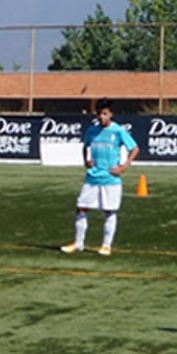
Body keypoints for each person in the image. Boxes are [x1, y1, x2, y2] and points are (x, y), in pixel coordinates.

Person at [59, 99, 140, 256]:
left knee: (109, 211)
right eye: (99, 114)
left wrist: (124, 166)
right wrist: (86, 160)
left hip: (110, 178)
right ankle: (78, 243)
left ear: (111, 114)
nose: (102, 117)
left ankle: (106, 246)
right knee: (81, 208)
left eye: (105, 114)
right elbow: (85, 147)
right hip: (92, 177)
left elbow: (135, 148)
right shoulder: (92, 130)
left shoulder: (118, 131)